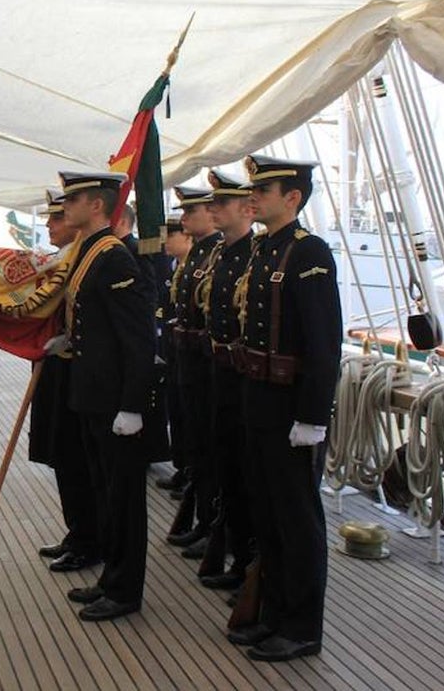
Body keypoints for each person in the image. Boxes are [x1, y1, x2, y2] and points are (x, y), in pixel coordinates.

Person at [228, 155, 341, 661]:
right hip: (258, 399)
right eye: (254, 188)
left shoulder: (308, 252)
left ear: (293, 198)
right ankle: (271, 613)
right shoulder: (262, 248)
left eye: (265, 190)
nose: (254, 197)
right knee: (267, 515)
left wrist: (313, 419)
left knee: (297, 520)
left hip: (291, 405)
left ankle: (301, 626)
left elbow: (323, 343)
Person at [57, 171, 155, 622]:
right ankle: (110, 579)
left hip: (116, 400)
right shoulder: (90, 252)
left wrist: (132, 405)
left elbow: (137, 338)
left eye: (72, 199)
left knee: (124, 499)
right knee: (105, 492)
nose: (65, 207)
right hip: (93, 395)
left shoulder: (114, 258)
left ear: (96, 205)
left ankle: (125, 590)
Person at [29, 189, 100, 573]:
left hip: (76, 372)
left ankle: (89, 538)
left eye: (57, 217)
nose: (50, 225)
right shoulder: (63, 261)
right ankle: (77, 532)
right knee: (62, 456)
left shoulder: (83, 262)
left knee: (75, 458)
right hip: (56, 370)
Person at [197, 170, 257, 590]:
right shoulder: (220, 253)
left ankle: (249, 564)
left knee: (247, 473)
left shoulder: (258, 253)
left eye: (221, 203)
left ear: (246, 208)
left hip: (246, 379)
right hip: (217, 373)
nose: (214, 209)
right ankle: (236, 559)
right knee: (228, 470)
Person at [166, 185, 222, 555]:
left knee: (213, 452)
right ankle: (203, 520)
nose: (185, 219)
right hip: (188, 363)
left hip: (210, 368)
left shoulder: (219, 255)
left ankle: (213, 525)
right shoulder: (199, 255)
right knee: (198, 448)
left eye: (191, 211)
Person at [155, 217, 192, 495]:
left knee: (189, 415)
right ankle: (182, 467)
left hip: (189, 354)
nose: (165, 242)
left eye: (170, 235)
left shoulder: (193, 266)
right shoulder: (172, 266)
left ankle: (191, 472)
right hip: (172, 349)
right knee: (177, 412)